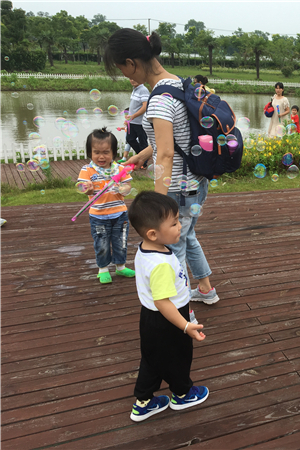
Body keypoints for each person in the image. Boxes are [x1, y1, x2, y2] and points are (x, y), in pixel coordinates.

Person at [104, 29, 219, 305]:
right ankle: (206, 290)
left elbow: (166, 153)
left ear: (131, 62)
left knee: (170, 247)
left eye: (122, 69)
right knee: (186, 235)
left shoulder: (158, 100)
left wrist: (158, 206)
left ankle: (180, 311)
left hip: (177, 188)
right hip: (195, 182)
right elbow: (170, 141)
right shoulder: (178, 83)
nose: (125, 75)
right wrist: (139, 156)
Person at [127, 191, 209, 422]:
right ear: (153, 233)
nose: (180, 225)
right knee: (178, 357)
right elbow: (162, 301)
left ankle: (143, 402)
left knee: (152, 359)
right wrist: (185, 326)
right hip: (168, 319)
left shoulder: (148, 248)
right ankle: (182, 394)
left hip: (151, 319)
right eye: (173, 223)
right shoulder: (160, 265)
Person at [77, 127, 136, 284]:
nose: (101, 156)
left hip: (120, 214)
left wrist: (122, 188)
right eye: (96, 152)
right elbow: (81, 186)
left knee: (120, 241)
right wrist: (86, 187)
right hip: (98, 216)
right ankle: (102, 269)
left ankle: (121, 266)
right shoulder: (87, 170)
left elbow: (127, 187)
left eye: (106, 152)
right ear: (90, 153)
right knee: (101, 243)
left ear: (113, 153)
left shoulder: (120, 169)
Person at [123, 78, 150, 164]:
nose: (133, 80)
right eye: (131, 78)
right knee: (129, 139)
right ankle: (142, 157)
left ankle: (144, 162)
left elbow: (145, 106)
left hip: (140, 122)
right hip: (132, 122)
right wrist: (129, 117)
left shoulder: (143, 90)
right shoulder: (135, 89)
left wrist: (134, 116)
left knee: (143, 143)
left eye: (134, 78)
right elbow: (134, 106)